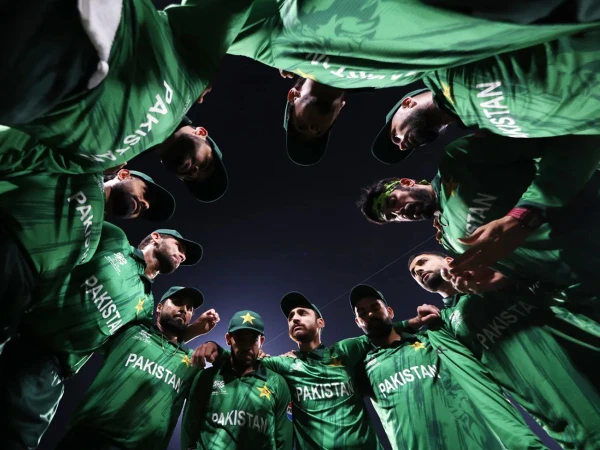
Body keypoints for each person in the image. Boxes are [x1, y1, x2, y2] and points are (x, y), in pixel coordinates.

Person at [0, 223, 204, 450]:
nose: (182, 256)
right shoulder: (114, 240)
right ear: (156, 237)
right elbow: (65, 223)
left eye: (184, 255)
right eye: (179, 247)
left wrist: (191, 332)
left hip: (50, 370)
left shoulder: (145, 304)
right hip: (16, 328)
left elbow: (149, 344)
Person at [358, 132, 600, 297]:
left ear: (406, 182)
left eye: (393, 201)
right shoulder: (449, 240)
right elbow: (520, 269)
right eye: (393, 217)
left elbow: (566, 138)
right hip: (585, 282)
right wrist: (496, 280)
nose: (399, 212)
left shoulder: (457, 158)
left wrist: (523, 215)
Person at [407, 251, 600, 448]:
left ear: (449, 261)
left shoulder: (499, 271)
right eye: (414, 273)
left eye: (423, 262)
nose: (418, 271)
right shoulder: (443, 325)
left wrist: (503, 278)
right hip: (562, 413)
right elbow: (478, 385)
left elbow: (568, 273)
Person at [0, 155, 176, 355]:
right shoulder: (83, 173)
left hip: (20, 293)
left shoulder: (95, 239)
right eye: (145, 193)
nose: (145, 204)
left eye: (146, 209)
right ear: (123, 174)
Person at [227, 0, 599, 90]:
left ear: (292, 95)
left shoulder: (273, 36)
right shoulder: (383, 79)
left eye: (303, 126)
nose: (312, 127)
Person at [350, 286, 538, 450]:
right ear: (358, 322)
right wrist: (408, 323)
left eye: (375, 308)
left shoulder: (433, 338)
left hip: (476, 442)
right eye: (362, 313)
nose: (370, 315)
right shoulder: (362, 369)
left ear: (389, 311)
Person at [370, 30, 600, 164]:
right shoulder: (490, 130)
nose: (402, 146)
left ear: (407, 103)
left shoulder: (443, 66)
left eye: (395, 137)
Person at [55, 286, 219, 450]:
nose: (184, 309)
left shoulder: (192, 361)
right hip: (88, 438)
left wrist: (216, 347)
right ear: (159, 307)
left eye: (190, 309)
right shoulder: (130, 331)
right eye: (177, 302)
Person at [0, 115, 229, 203]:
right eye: (206, 164)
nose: (194, 172)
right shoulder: (174, 92)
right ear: (201, 132)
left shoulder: (122, 156)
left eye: (190, 179)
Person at [181, 310, 293, 450]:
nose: (246, 346)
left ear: (262, 341)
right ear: (228, 339)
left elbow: (284, 440)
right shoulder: (206, 378)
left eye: (253, 339)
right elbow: (189, 432)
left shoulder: (278, 383)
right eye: (240, 338)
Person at [280, 74, 373, 166]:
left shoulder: (292, 65)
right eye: (319, 132)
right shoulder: (374, 79)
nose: (313, 129)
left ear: (293, 95)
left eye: (302, 126)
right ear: (340, 108)